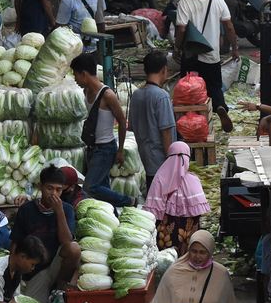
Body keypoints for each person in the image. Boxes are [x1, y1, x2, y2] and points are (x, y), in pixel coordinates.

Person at [10, 166, 82, 303]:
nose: (54, 194)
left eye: (58, 190)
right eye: (49, 188)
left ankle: (59, 287)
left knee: (74, 248)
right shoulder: (27, 209)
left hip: (55, 263)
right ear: (40, 187)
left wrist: (59, 212)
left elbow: (66, 242)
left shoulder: (66, 209)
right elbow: (15, 243)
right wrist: (12, 271)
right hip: (34, 268)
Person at [176, 0, 236, 133]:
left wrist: (177, 48)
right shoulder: (218, 0)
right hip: (211, 54)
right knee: (214, 86)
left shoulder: (185, 2)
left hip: (191, 54)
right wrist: (235, 48)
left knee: (190, 90)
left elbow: (181, 29)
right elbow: (229, 27)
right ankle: (220, 107)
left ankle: (193, 121)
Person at [70, 53, 134, 207]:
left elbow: (122, 121)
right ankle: (114, 214)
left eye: (76, 75)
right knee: (102, 189)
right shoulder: (86, 92)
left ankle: (128, 201)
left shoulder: (108, 95)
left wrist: (120, 150)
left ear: (84, 74)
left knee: (90, 187)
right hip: (92, 149)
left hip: (105, 149)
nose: (75, 80)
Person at [145, 141, 210, 254]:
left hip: (166, 236)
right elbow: (199, 211)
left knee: (168, 259)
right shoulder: (193, 180)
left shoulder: (160, 177)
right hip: (189, 237)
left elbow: (153, 209)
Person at [128, 50, 176, 189]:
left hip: (145, 159)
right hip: (161, 161)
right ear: (164, 70)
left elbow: (131, 126)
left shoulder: (136, 95)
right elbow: (166, 131)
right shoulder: (162, 96)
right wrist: (171, 160)